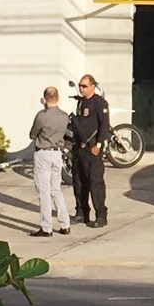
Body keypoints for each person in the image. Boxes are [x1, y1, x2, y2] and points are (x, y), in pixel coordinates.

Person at [27, 86, 71, 237]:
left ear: (44, 100)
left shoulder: (41, 115)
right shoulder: (64, 116)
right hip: (57, 154)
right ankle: (65, 223)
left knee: (44, 191)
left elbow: (33, 134)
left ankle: (47, 227)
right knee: (56, 189)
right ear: (57, 98)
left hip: (43, 153)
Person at [69, 74, 110, 228]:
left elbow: (104, 126)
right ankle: (81, 213)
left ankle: (101, 215)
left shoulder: (99, 103)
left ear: (93, 86)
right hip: (79, 149)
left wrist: (98, 145)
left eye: (84, 86)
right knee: (79, 183)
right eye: (80, 85)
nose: (81, 88)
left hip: (93, 149)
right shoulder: (80, 103)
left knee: (95, 183)